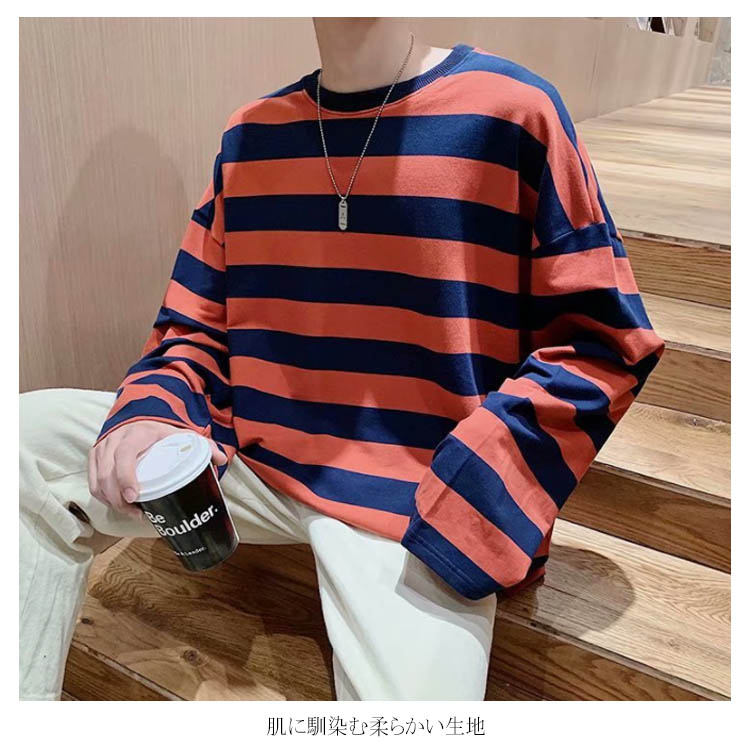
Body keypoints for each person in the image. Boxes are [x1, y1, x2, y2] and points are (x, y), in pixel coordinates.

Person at [19, 17, 665, 701]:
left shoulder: (512, 113)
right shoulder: (251, 136)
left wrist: (472, 497)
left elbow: (602, 344)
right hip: (255, 464)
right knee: (23, 441)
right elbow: (196, 324)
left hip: (417, 503)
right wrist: (154, 411)